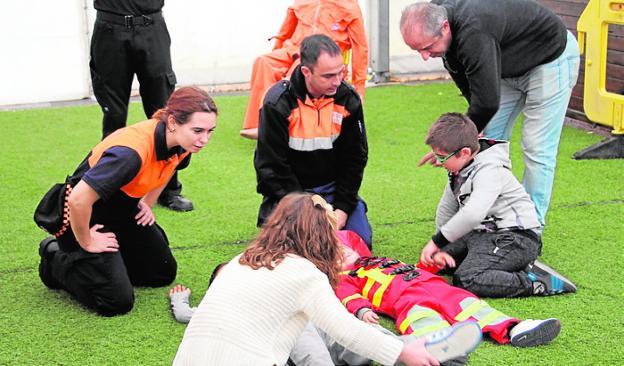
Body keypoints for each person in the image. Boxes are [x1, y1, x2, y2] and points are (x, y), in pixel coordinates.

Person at [172, 193, 482, 366]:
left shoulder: (243, 261)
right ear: (321, 238)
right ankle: (419, 346)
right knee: (340, 344)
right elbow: (346, 330)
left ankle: (420, 346)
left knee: (338, 344)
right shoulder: (303, 274)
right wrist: (402, 353)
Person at [36, 86, 218, 316]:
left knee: (161, 274)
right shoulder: (129, 153)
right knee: (116, 301)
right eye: (198, 130)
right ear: (172, 122)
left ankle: (106, 265)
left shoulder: (183, 143)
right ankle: (55, 257)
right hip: (86, 217)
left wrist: (146, 202)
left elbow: (169, 167)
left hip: (123, 208)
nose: (205, 139)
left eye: (210, 131)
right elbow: (78, 200)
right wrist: (87, 241)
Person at [399, 0, 580, 227]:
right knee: (486, 141)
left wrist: (453, 146)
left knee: (537, 148)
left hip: (549, 58)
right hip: (507, 64)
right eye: (417, 50)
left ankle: (529, 228)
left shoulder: (473, 31)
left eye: (427, 48)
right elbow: (467, 81)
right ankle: (488, 215)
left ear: (445, 27)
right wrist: (471, 133)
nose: (424, 57)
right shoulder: (438, 16)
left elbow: (486, 103)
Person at [418, 113, 576, 298]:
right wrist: (442, 248)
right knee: (440, 262)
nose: (438, 161)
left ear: (465, 153)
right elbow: (447, 207)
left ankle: (535, 282)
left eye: (442, 157)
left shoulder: (490, 170)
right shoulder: (461, 167)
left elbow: (472, 214)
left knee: (467, 279)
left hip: (516, 238)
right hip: (483, 234)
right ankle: (508, 266)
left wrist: (437, 241)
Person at [336, 230, 561, 352]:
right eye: (334, 255)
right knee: (421, 319)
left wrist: (434, 262)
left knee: (471, 306)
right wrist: (361, 311)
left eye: (343, 248)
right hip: (406, 299)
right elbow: (348, 297)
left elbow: (413, 269)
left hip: (438, 287)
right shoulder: (345, 278)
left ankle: (516, 328)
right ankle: (437, 349)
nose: (341, 252)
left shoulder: (380, 260)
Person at [254, 34, 373, 247]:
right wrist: (306, 211)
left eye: (341, 72)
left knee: (359, 246)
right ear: (306, 72)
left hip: (334, 190)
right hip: (290, 195)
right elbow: (271, 168)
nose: (337, 81)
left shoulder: (348, 99)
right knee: (298, 253)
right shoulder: (277, 104)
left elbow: (355, 159)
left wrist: (342, 210)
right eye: (328, 76)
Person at [90, 0, 193, 212]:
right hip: (109, 29)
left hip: (151, 27)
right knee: (114, 115)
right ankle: (108, 187)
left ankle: (169, 190)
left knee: (165, 113)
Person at [240, 0, 368, 140]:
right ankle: (261, 124)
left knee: (297, 70)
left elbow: (360, 47)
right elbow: (285, 32)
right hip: (294, 49)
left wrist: (359, 87)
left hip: (322, 58)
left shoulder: (349, 6)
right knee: (263, 62)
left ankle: (284, 126)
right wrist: (276, 53)